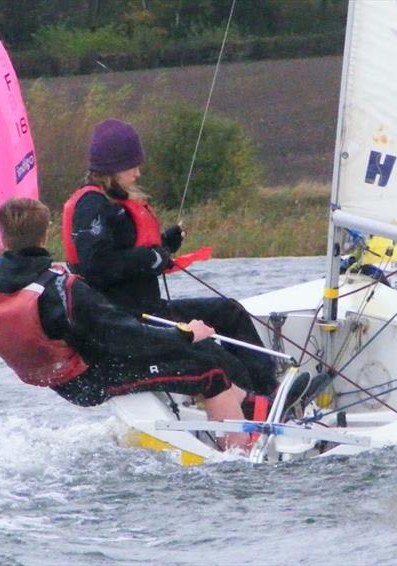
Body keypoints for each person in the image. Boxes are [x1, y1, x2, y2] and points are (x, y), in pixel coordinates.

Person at [0, 198, 257, 451]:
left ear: (1, 238)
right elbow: (130, 338)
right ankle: (240, 458)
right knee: (212, 368)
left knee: (200, 360)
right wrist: (186, 334)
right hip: (94, 381)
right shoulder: (62, 291)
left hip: (57, 381)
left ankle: (248, 405)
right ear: (46, 234)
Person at [62, 119, 278, 398]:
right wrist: (150, 258)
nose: (138, 173)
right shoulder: (92, 205)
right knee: (208, 348)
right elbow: (97, 266)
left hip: (152, 308)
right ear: (112, 169)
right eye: (132, 167)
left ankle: (269, 388)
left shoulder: (115, 201)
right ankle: (254, 400)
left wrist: (165, 244)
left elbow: (130, 252)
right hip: (131, 318)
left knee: (230, 311)